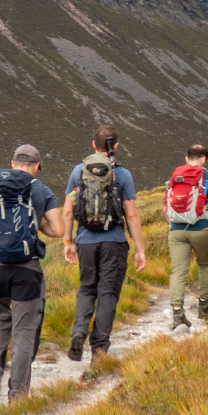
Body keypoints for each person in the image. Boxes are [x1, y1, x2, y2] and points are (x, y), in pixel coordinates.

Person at [0, 144, 62, 399]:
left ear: (13, 162)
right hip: (26, 269)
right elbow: (58, 229)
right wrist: (32, 227)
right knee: (24, 328)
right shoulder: (40, 189)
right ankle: (17, 393)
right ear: (37, 166)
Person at [63, 125, 146, 362]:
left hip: (85, 241)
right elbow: (131, 215)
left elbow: (68, 211)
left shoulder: (78, 172)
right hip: (114, 241)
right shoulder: (123, 174)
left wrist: (68, 241)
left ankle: (79, 331)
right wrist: (140, 249)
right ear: (116, 146)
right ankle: (99, 351)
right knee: (107, 293)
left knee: (87, 288)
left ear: (93, 144)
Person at [163, 144, 208, 332]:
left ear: (186, 157)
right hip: (201, 229)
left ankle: (177, 313)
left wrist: (173, 225)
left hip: (176, 231)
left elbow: (166, 207)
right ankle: (204, 306)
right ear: (204, 159)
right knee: (205, 265)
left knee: (178, 272)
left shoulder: (174, 177)